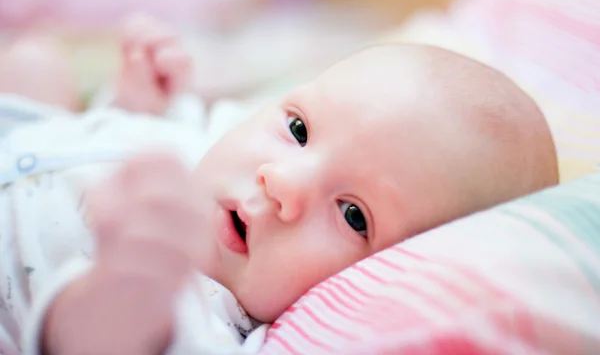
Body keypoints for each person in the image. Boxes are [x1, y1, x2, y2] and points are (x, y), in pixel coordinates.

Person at [0, 22, 558, 354]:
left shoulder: (197, 321)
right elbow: (135, 134)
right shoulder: (200, 142)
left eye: (353, 215)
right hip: (36, 137)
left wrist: (122, 288)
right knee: (35, 62)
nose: (282, 182)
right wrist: (132, 103)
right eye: (299, 130)